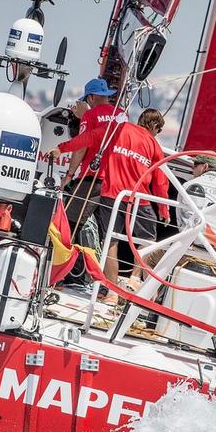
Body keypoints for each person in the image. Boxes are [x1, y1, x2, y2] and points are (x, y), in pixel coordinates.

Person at [50, 108, 168, 303]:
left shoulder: (116, 129)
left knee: (111, 241)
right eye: (159, 130)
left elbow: (86, 139)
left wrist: (61, 148)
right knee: (148, 239)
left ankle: (112, 293)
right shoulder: (153, 145)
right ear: (155, 126)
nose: (157, 134)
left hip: (112, 194)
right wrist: (164, 209)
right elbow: (161, 180)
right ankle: (134, 279)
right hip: (139, 198)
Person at [60, 77, 128, 229]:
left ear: (91, 97)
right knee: (109, 231)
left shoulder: (90, 116)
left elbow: (80, 148)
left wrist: (69, 175)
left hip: (93, 179)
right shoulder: (123, 115)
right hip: (116, 182)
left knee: (69, 223)